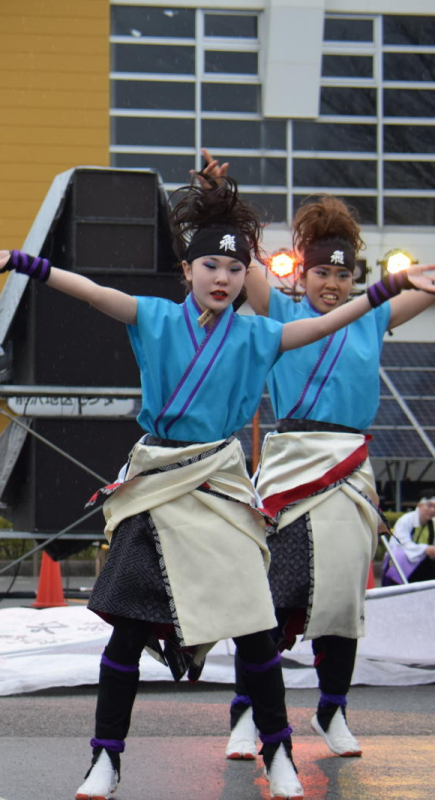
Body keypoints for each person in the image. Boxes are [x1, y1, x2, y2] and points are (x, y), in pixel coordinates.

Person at [0, 174, 435, 800]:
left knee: (256, 626)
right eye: (210, 264)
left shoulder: (261, 333)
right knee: (126, 631)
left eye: (235, 267)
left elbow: (334, 323)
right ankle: (105, 758)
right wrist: (28, 264)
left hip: (218, 479)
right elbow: (97, 293)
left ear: (247, 277)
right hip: (158, 482)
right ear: (186, 270)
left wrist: (387, 288)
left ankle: (280, 750)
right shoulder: (154, 319)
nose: (222, 276)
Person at [197, 153, 435, 761]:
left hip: (349, 468)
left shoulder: (370, 316)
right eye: (322, 275)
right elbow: (242, 265)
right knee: (275, 596)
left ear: (354, 279)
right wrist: (222, 198)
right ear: (302, 276)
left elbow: (423, 292)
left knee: (339, 602)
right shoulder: (281, 313)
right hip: (292, 461)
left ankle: (332, 712)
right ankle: (247, 712)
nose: (333, 285)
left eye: (343, 276)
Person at [383, 498, 435, 585]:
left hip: (423, 563)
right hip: (402, 561)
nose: (432, 510)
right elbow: (401, 543)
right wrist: (425, 549)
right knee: (400, 555)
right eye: (429, 506)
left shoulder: (433, 524)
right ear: (419, 505)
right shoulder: (406, 520)